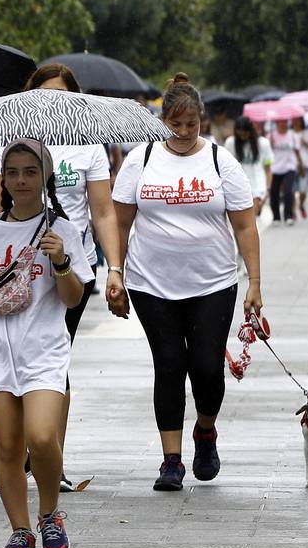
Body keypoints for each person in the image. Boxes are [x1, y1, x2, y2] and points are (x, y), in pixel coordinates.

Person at [109, 73, 263, 492]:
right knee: (171, 364)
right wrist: (115, 272)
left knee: (208, 368)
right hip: (151, 283)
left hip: (213, 282)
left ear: (202, 123)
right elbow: (119, 223)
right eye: (174, 125)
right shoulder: (140, 160)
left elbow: (245, 226)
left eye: (190, 126)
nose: (181, 133)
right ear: (162, 123)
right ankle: (171, 460)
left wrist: (254, 282)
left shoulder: (220, 161)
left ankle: (206, 432)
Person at [0, 62, 122, 492]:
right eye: (44, 95)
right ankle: (25, 443)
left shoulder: (88, 147)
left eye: (61, 95)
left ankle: (48, 453)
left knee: (53, 358)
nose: (52, 103)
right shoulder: (12, 146)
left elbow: (102, 210)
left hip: (66, 268)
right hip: (13, 268)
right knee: (19, 356)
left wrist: (114, 267)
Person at [0, 139, 91, 548]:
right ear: (3, 179)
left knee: (42, 436)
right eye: (12, 172)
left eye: (30, 171)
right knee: (8, 445)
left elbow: (73, 298)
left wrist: (61, 262)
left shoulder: (61, 230)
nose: (21, 180)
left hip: (44, 348)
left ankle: (50, 513)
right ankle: (20, 531)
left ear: (45, 176)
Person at [223, 115, 273, 219]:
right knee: (240, 224)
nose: (242, 137)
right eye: (239, 134)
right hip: (237, 187)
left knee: (250, 221)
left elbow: (268, 169)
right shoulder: (230, 143)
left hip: (257, 187)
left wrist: (267, 190)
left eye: (245, 133)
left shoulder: (263, 143)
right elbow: (224, 168)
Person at [267, 118, 300, 225]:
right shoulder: (271, 135)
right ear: (276, 123)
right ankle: (276, 217)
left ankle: (288, 215)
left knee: (288, 191)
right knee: (274, 192)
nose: (282, 124)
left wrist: (301, 165)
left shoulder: (292, 135)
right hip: (275, 167)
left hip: (289, 166)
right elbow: (266, 152)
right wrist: (270, 143)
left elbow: (297, 151)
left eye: (285, 122)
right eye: (280, 122)